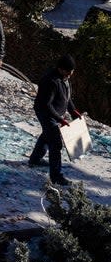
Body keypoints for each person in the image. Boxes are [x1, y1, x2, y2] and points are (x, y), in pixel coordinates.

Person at [29, 54, 81, 185]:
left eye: (72, 72)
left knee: (47, 135)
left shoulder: (65, 79)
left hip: (57, 113)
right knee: (56, 143)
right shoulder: (50, 81)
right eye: (68, 71)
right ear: (60, 68)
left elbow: (67, 98)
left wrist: (73, 111)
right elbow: (47, 105)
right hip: (46, 113)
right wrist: (60, 119)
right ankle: (56, 176)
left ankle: (35, 159)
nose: (70, 74)